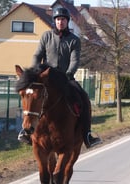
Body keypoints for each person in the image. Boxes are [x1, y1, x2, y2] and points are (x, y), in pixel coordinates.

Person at [18, 7, 101, 148]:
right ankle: (26, 131)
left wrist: (68, 74)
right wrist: (35, 73)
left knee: (83, 98)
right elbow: (37, 55)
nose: (60, 22)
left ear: (67, 21)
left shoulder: (74, 40)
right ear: (54, 21)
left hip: (66, 79)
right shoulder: (46, 36)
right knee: (31, 97)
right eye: (58, 19)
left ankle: (87, 134)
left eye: (63, 19)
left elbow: (75, 61)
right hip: (46, 78)